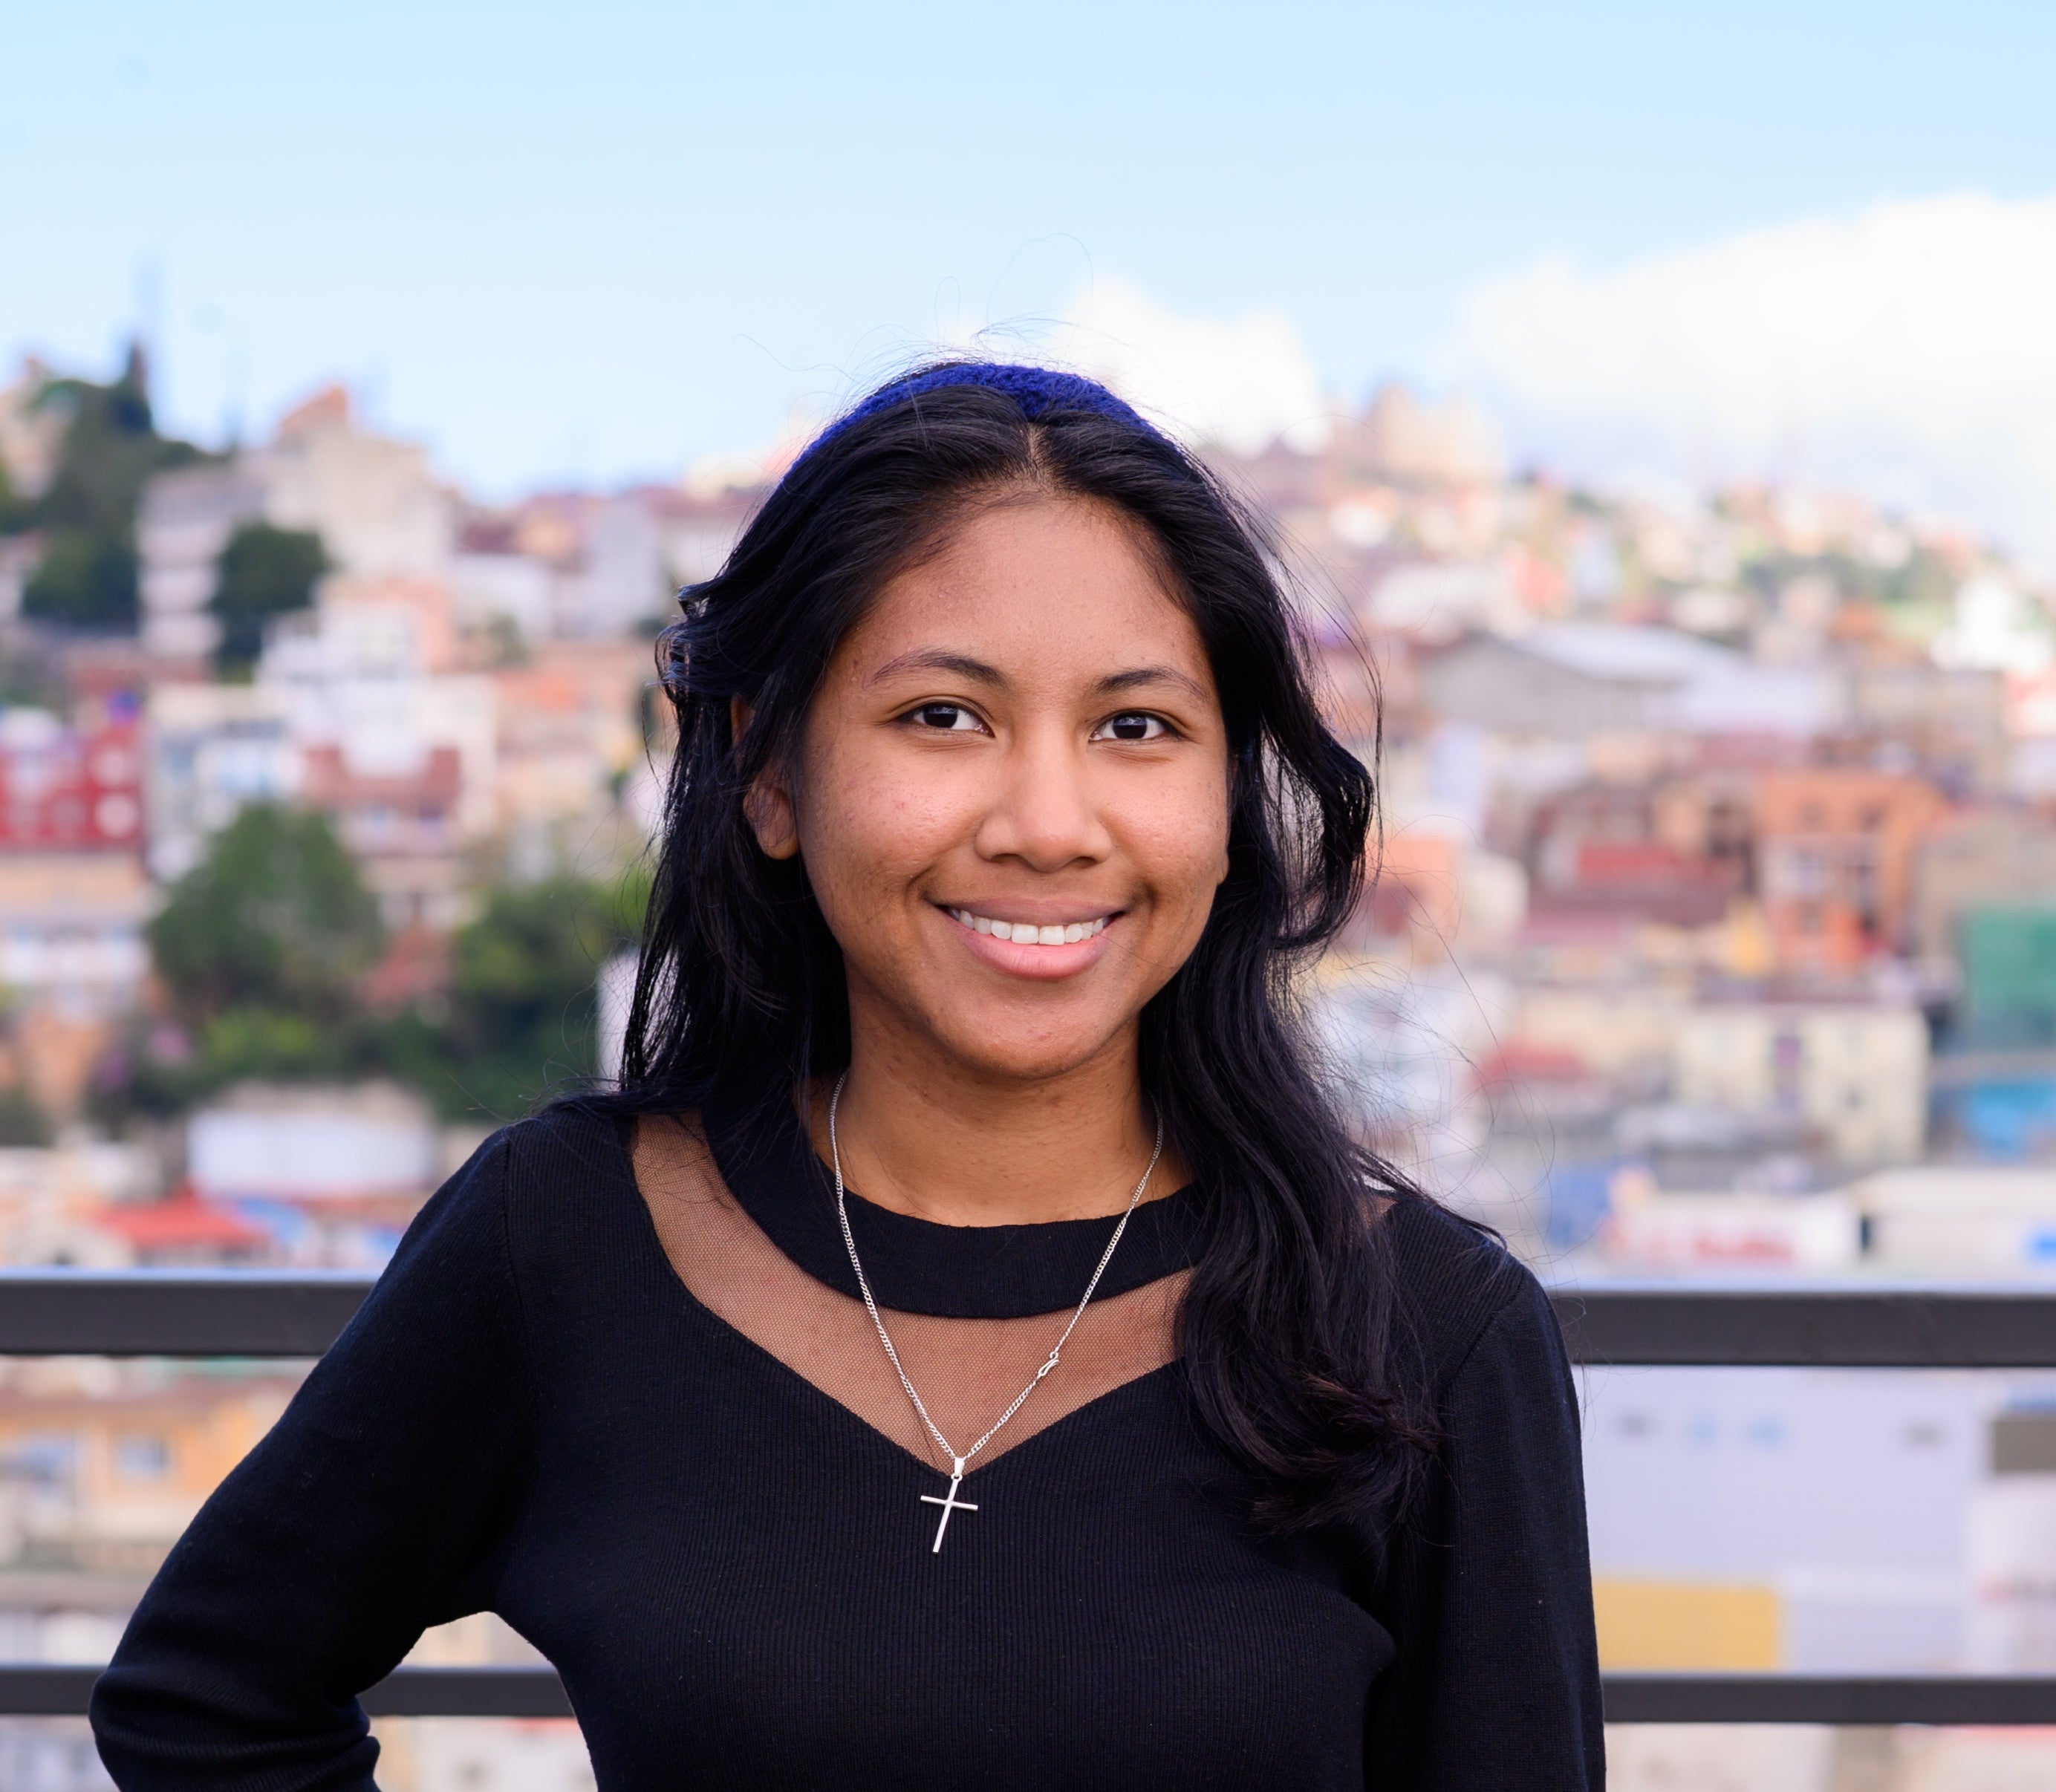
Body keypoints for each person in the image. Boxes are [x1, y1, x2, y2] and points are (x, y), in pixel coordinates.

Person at [91, 362, 1603, 1790]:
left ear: (1227, 794)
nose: (1047, 822)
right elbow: (209, 1698)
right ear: (769, 769)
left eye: (1135, 726)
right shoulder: (569, 1238)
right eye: (943, 716)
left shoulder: (1427, 1331)